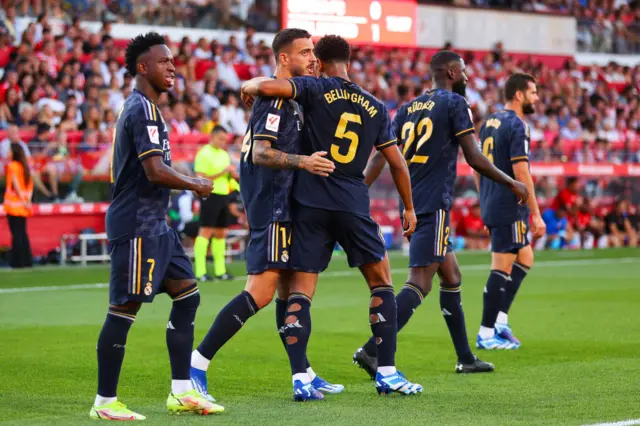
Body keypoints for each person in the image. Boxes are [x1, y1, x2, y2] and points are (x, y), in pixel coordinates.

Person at [242, 34, 423, 398]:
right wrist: (408, 206)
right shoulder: (373, 105)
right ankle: (386, 371)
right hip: (352, 201)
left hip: (309, 200)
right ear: (348, 61)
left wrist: (250, 84)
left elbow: (268, 86)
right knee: (382, 281)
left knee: (300, 290)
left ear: (319, 63)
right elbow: (396, 162)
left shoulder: (312, 88)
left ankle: (300, 377)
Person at [190, 28, 342, 404]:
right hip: (272, 205)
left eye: (313, 52)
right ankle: (197, 363)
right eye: (304, 52)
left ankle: (301, 372)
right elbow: (261, 153)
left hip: (281, 205)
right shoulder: (274, 99)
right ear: (284, 58)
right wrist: (304, 161)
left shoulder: (285, 96)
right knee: (260, 292)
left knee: (288, 290)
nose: (312, 58)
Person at [355, 51, 528, 376]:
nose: (466, 76)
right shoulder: (454, 103)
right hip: (433, 203)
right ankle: (371, 350)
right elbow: (474, 157)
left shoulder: (407, 109)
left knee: (451, 277)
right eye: (462, 70)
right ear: (450, 71)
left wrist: (358, 187)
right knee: (419, 282)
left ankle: (465, 357)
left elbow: (382, 157)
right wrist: (512, 183)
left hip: (414, 200)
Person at [90, 32, 223, 421]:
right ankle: (104, 402)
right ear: (143, 67)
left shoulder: (147, 108)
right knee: (124, 308)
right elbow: (153, 170)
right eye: (165, 62)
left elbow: (156, 166)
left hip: (156, 224)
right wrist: (195, 183)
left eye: (173, 62)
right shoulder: (141, 109)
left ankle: (182, 392)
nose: (173, 68)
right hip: (137, 224)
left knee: (188, 295)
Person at [475, 73, 546, 350]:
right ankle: (486, 332)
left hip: (493, 201)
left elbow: (477, 166)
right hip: (510, 205)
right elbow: (521, 171)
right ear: (519, 94)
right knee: (501, 267)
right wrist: (535, 213)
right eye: (533, 92)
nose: (536, 98)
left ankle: (500, 321)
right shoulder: (518, 124)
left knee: (525, 256)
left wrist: (484, 204)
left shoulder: (488, 123)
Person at [193, 125, 237, 281]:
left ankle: (220, 270)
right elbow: (199, 177)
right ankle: (200, 271)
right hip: (209, 194)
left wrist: (233, 176)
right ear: (212, 136)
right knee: (205, 231)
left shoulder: (224, 154)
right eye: (220, 139)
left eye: (225, 140)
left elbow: (229, 177)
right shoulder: (204, 154)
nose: (223, 142)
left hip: (224, 194)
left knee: (220, 233)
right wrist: (222, 172)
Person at [3, 142, 34, 268]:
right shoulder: (25, 166)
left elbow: (15, 185)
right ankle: (27, 260)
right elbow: (30, 185)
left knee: (16, 234)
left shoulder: (12, 166)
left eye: (9, 151)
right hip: (24, 205)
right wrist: (27, 201)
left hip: (14, 205)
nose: (7, 153)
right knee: (23, 233)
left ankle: (18, 262)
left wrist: (22, 199)